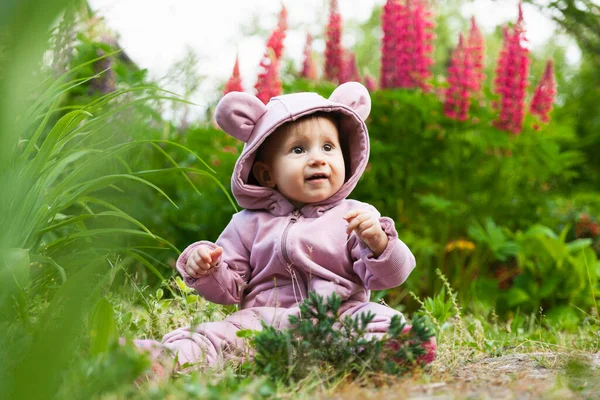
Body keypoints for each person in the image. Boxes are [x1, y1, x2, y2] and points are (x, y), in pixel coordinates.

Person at [133, 82, 436, 376]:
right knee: (216, 336)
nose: (318, 157)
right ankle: (159, 361)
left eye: (328, 147)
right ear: (266, 174)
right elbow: (230, 289)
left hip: (338, 315)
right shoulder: (247, 223)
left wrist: (380, 242)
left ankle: (388, 350)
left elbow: (392, 276)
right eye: (298, 150)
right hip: (264, 323)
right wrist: (207, 268)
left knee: (379, 320)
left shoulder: (357, 216)